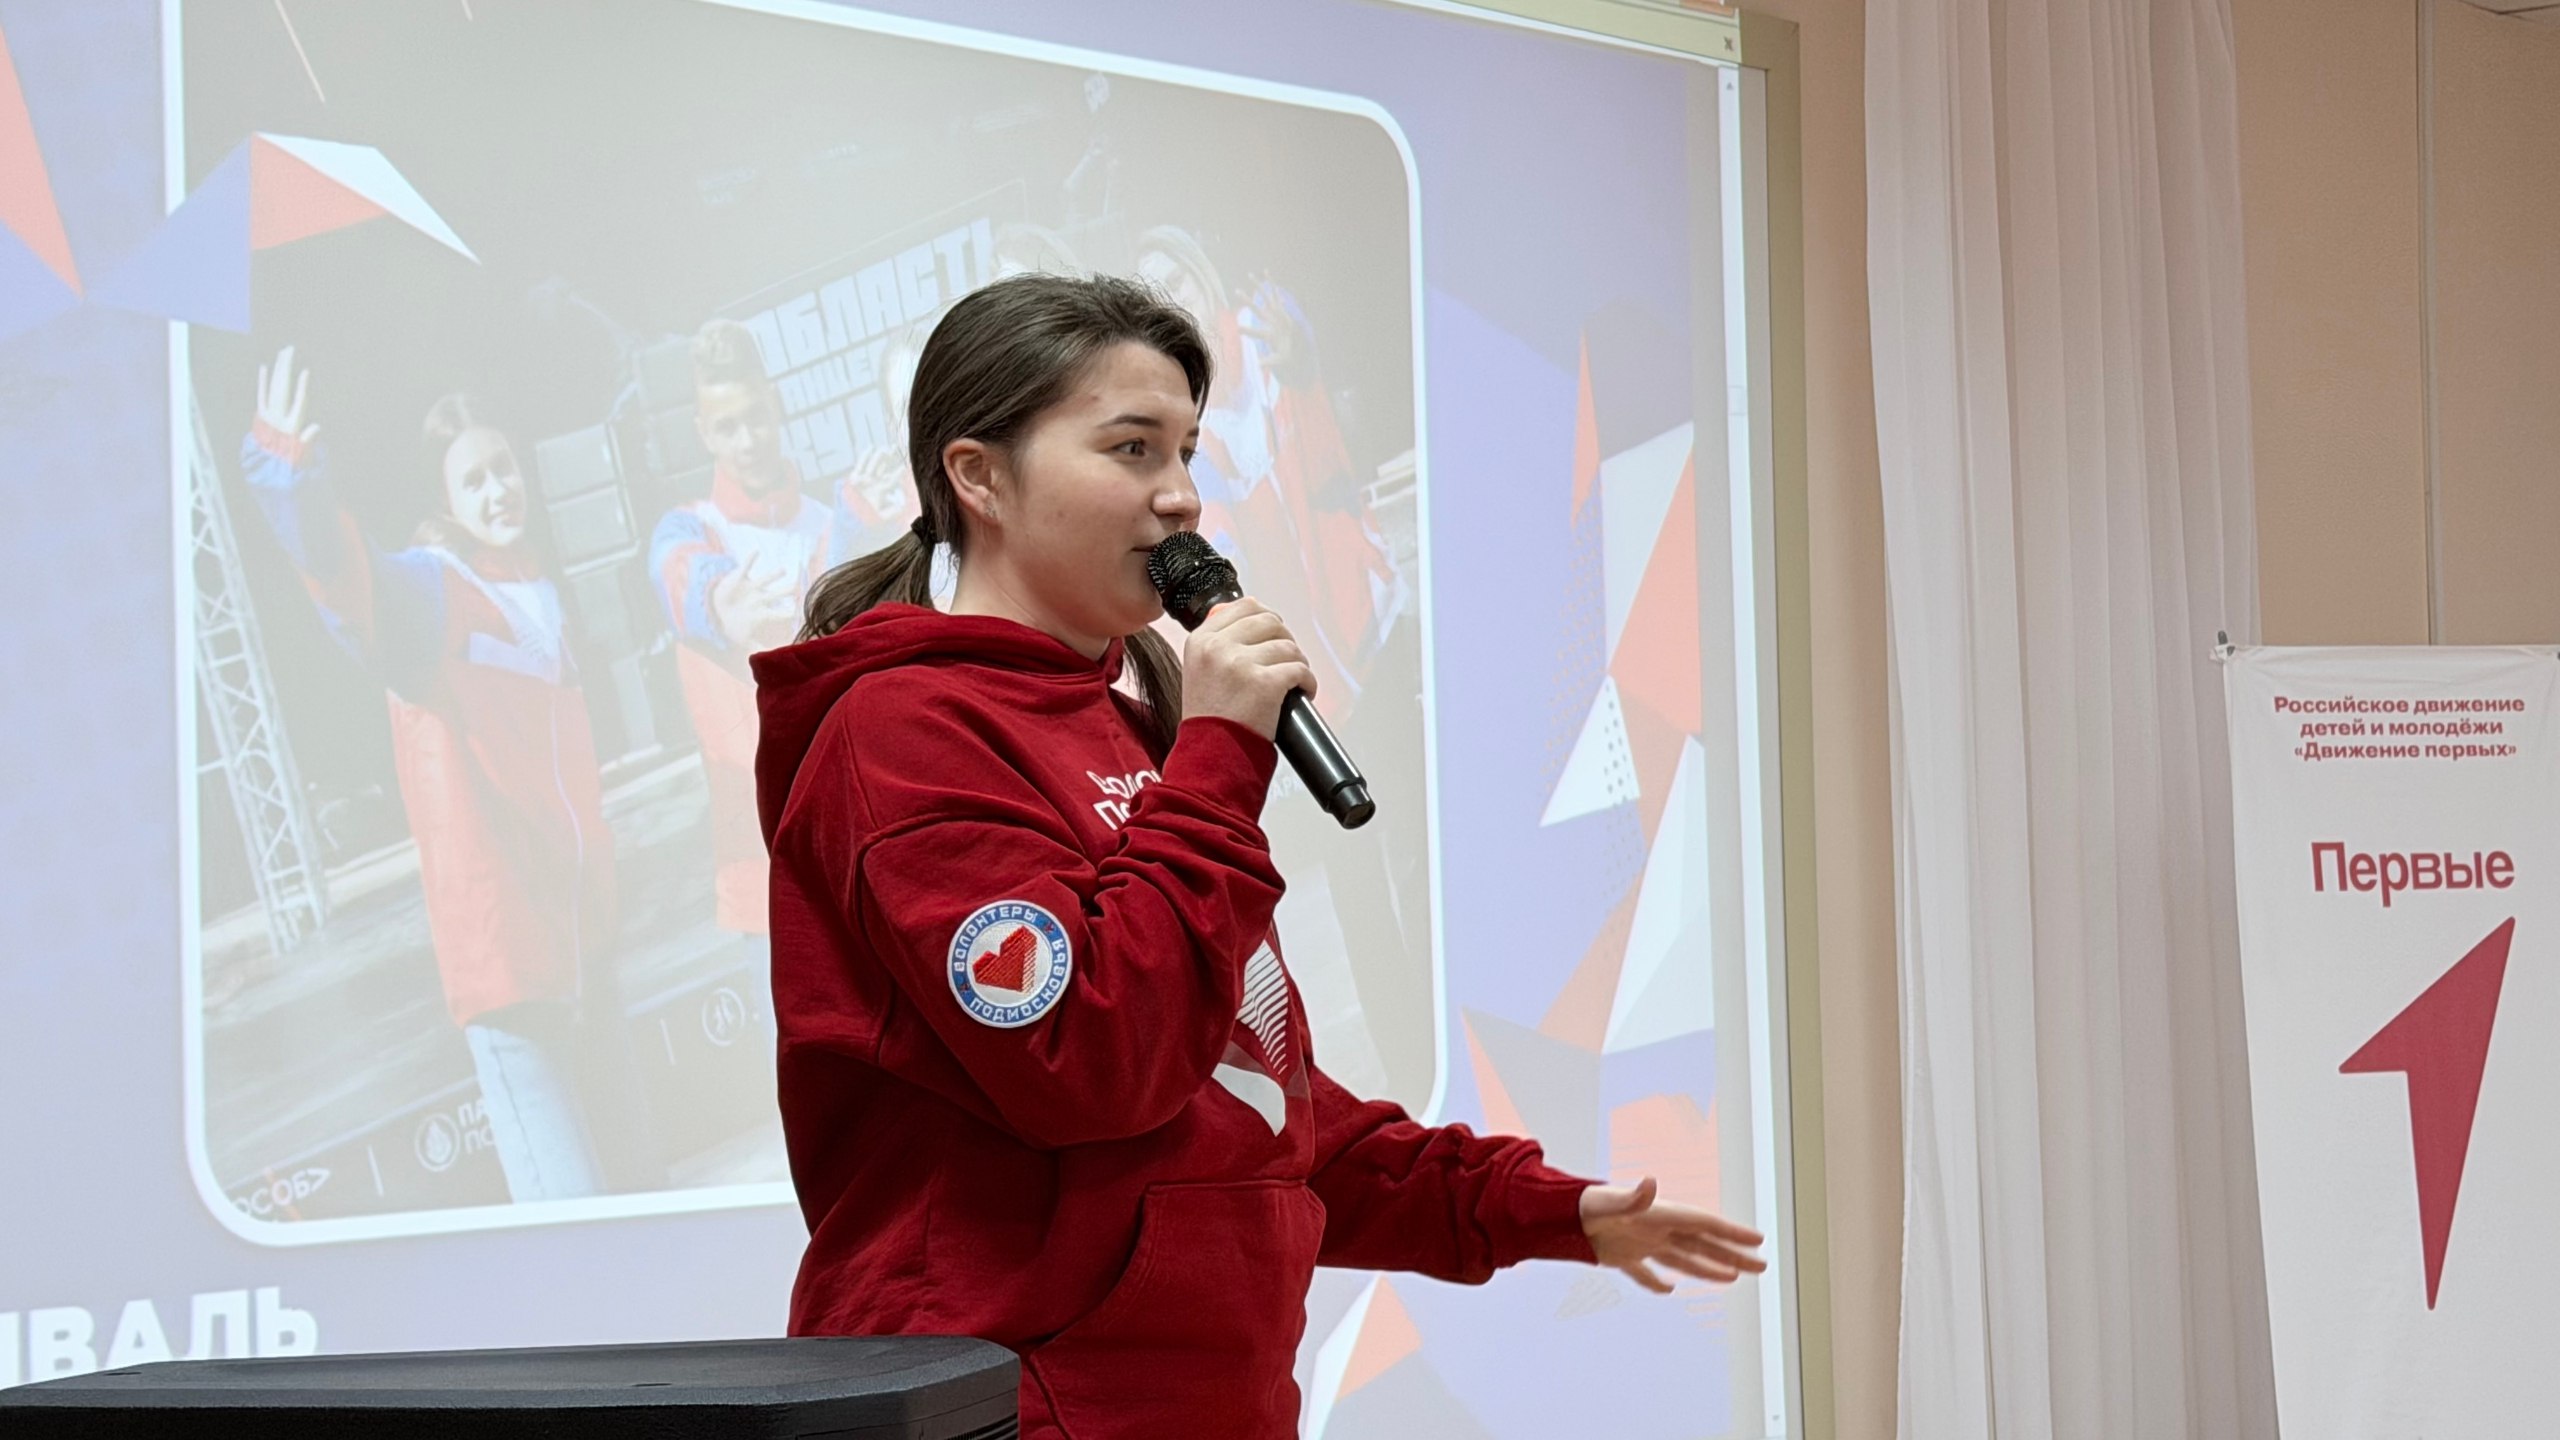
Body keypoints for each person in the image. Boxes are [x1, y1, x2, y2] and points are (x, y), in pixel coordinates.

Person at [750, 275, 1765, 1438]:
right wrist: (1221, 756)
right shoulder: (902, 732)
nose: (1181, 494)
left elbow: (1251, 1108)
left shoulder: (1137, 728)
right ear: (979, 477)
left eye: (1186, 450)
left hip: (1215, 1401)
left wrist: (1538, 1207)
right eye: (1131, 448)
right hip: (1018, 1403)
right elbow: (1089, 1058)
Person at [241, 349, 648, 1202]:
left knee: (643, 1194)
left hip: (583, 948)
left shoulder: (538, 591)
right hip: (511, 966)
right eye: (475, 480)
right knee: (573, 1223)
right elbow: (349, 583)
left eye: (505, 468)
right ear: (446, 501)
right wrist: (288, 475)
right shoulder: (435, 592)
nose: (499, 490)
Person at [647, 319, 908, 1045]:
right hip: (770, 886)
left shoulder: (831, 522)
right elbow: (686, 588)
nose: (748, 440)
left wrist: (861, 530)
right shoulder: (687, 532)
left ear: (776, 407)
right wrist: (719, 603)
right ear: (704, 432)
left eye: (756, 418)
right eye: (728, 426)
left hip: (865, 859)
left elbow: (836, 633)